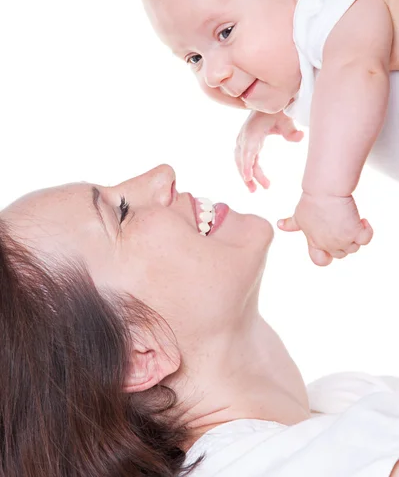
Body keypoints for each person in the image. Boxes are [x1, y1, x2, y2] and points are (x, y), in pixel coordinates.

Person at [1, 163, 399, 476]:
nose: (162, 174)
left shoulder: (343, 402)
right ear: (138, 354)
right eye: (121, 213)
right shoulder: (288, 466)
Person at [139, 0, 399, 267]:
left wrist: (324, 193)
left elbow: (356, 72)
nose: (212, 75)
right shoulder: (317, 40)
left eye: (224, 32)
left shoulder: (332, 3)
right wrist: (274, 109)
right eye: (194, 58)